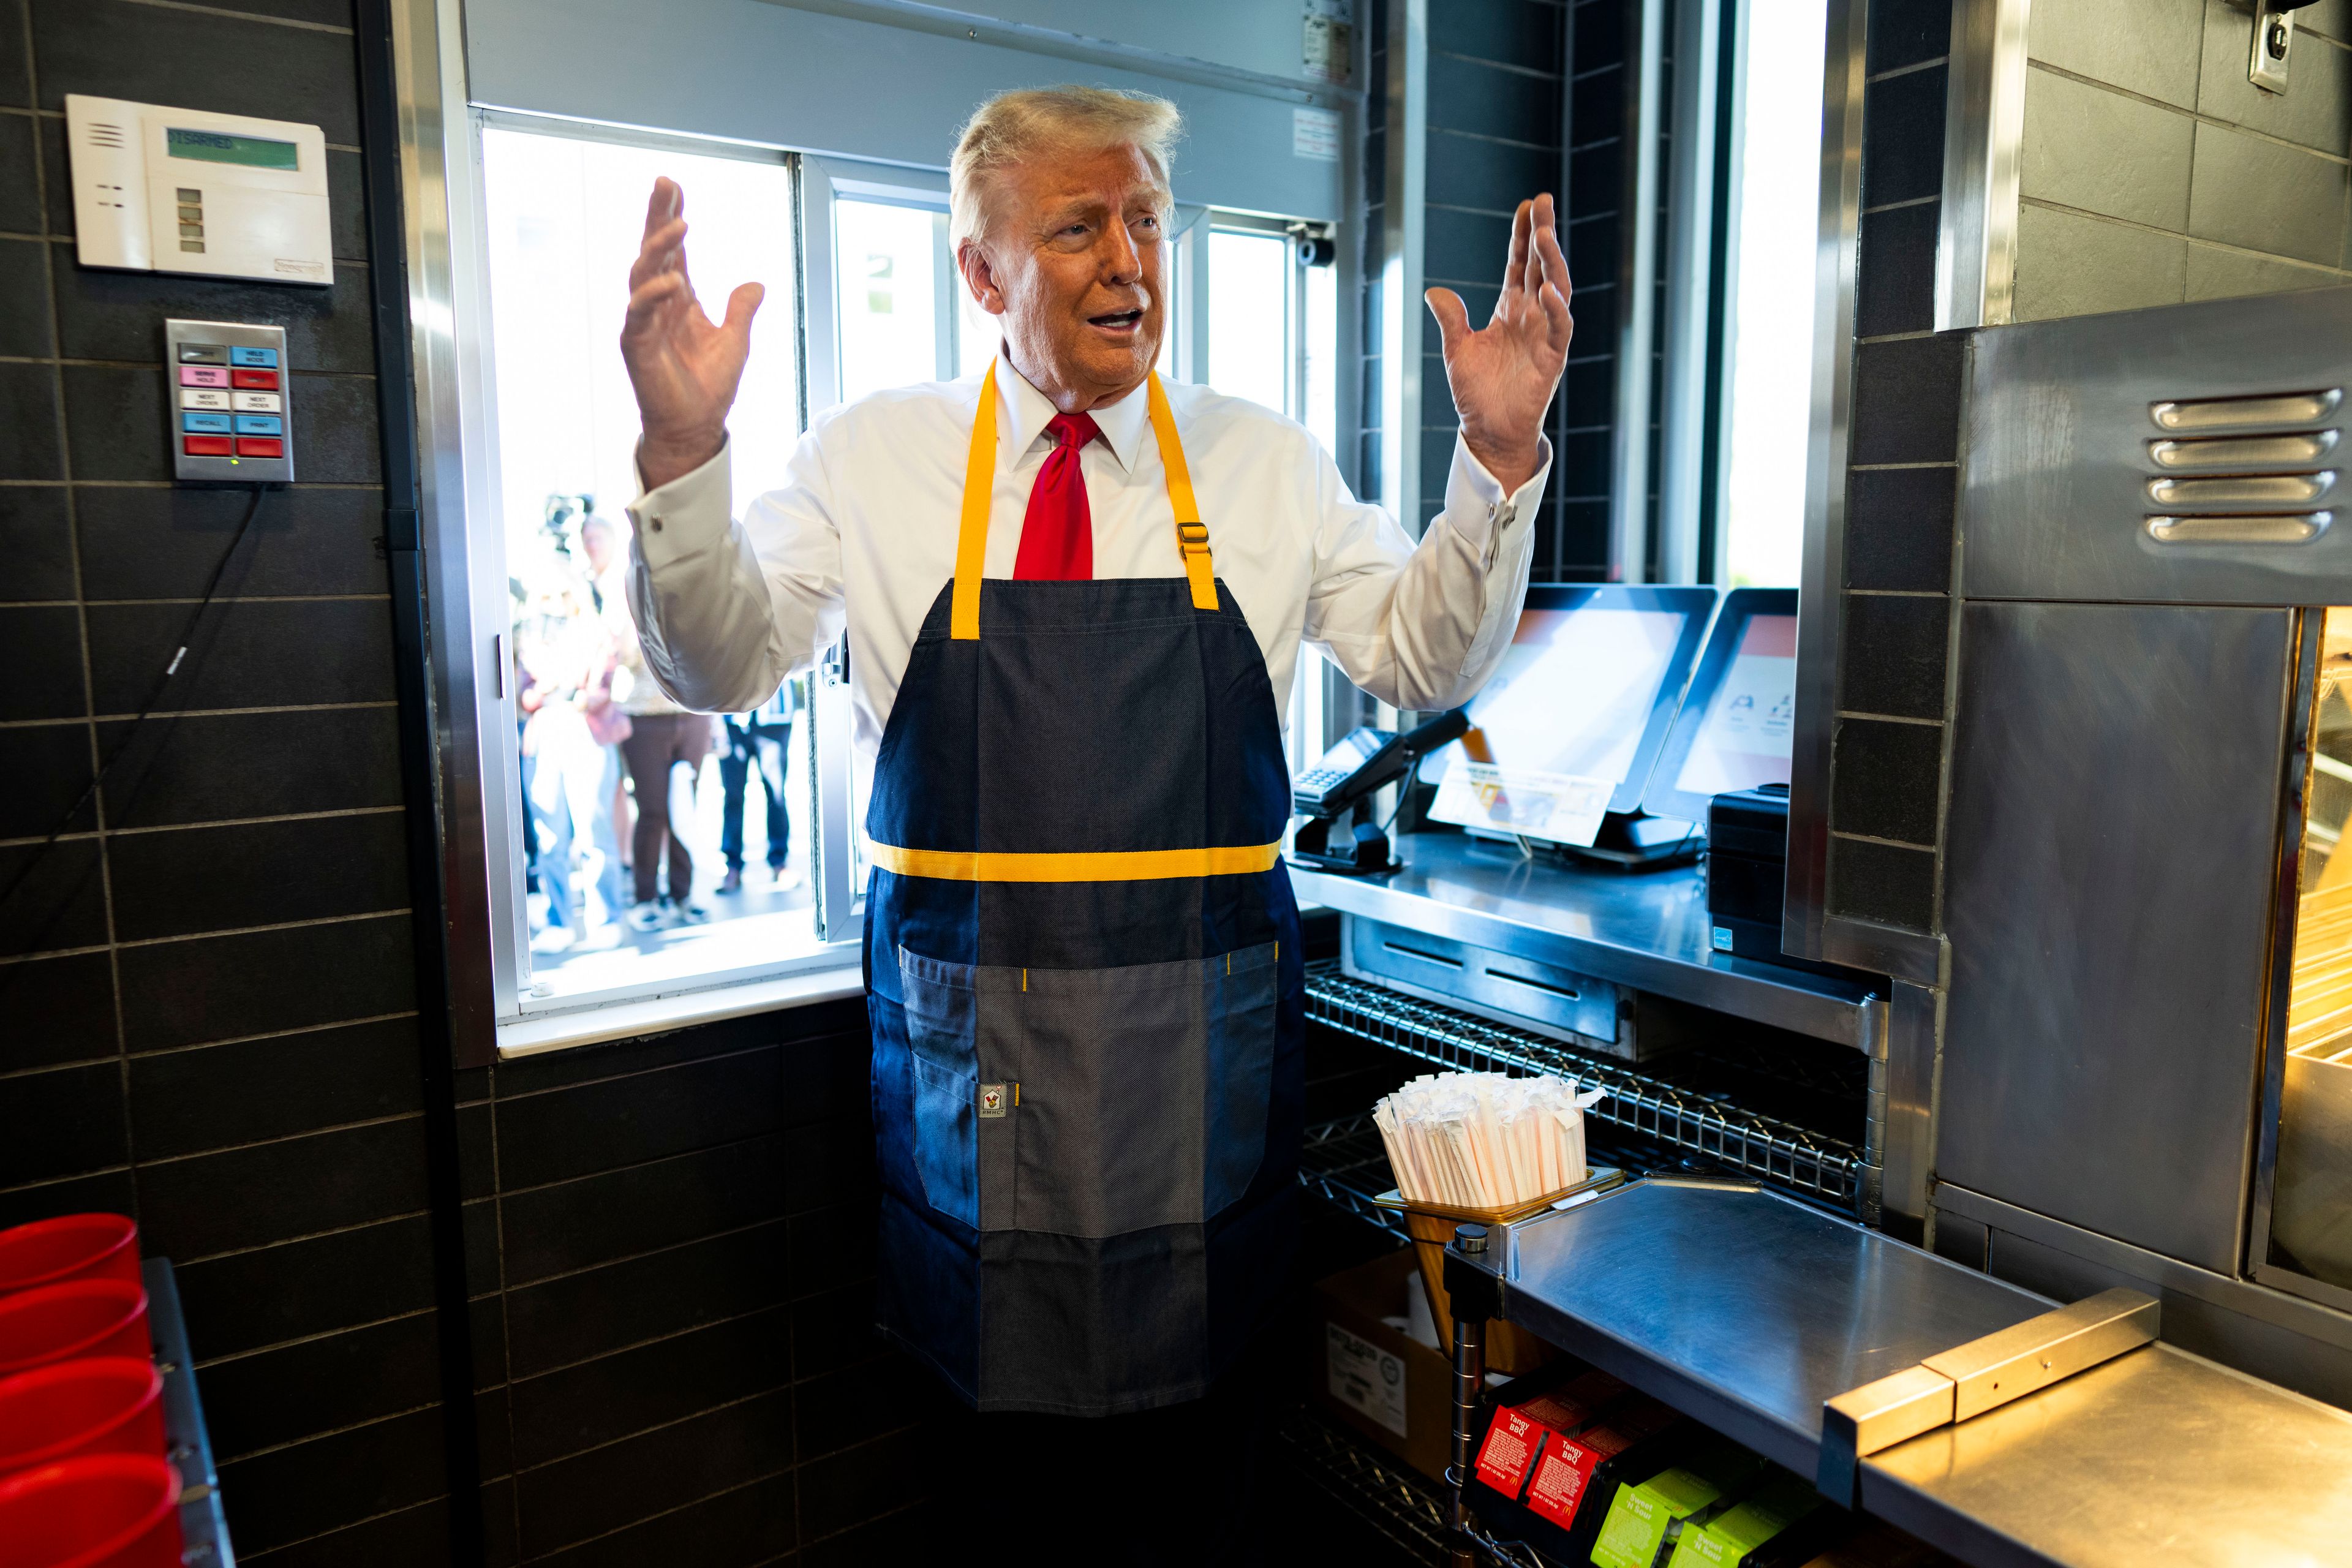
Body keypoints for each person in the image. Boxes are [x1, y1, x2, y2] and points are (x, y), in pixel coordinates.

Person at [619, 86, 1569, 1560]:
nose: (1128, 259)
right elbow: (716, 661)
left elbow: (1420, 654)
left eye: (1145, 220)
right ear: (982, 273)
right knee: (995, 1516)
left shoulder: (1260, 463)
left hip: (1198, 1107)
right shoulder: (873, 460)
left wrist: (1496, 464)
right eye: (1078, 226)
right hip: (973, 1106)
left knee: (1198, 1513)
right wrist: (683, 463)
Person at [606, 513, 715, 931]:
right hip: (645, 721)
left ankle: (684, 895)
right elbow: (627, 656)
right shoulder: (627, 594)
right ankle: (646, 898)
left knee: (686, 807)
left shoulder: (697, 594)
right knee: (652, 812)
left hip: (692, 717)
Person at [716, 680, 801, 894]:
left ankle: (779, 862)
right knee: (733, 795)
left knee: (776, 793)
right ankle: (733, 865)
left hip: (774, 715)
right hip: (731, 716)